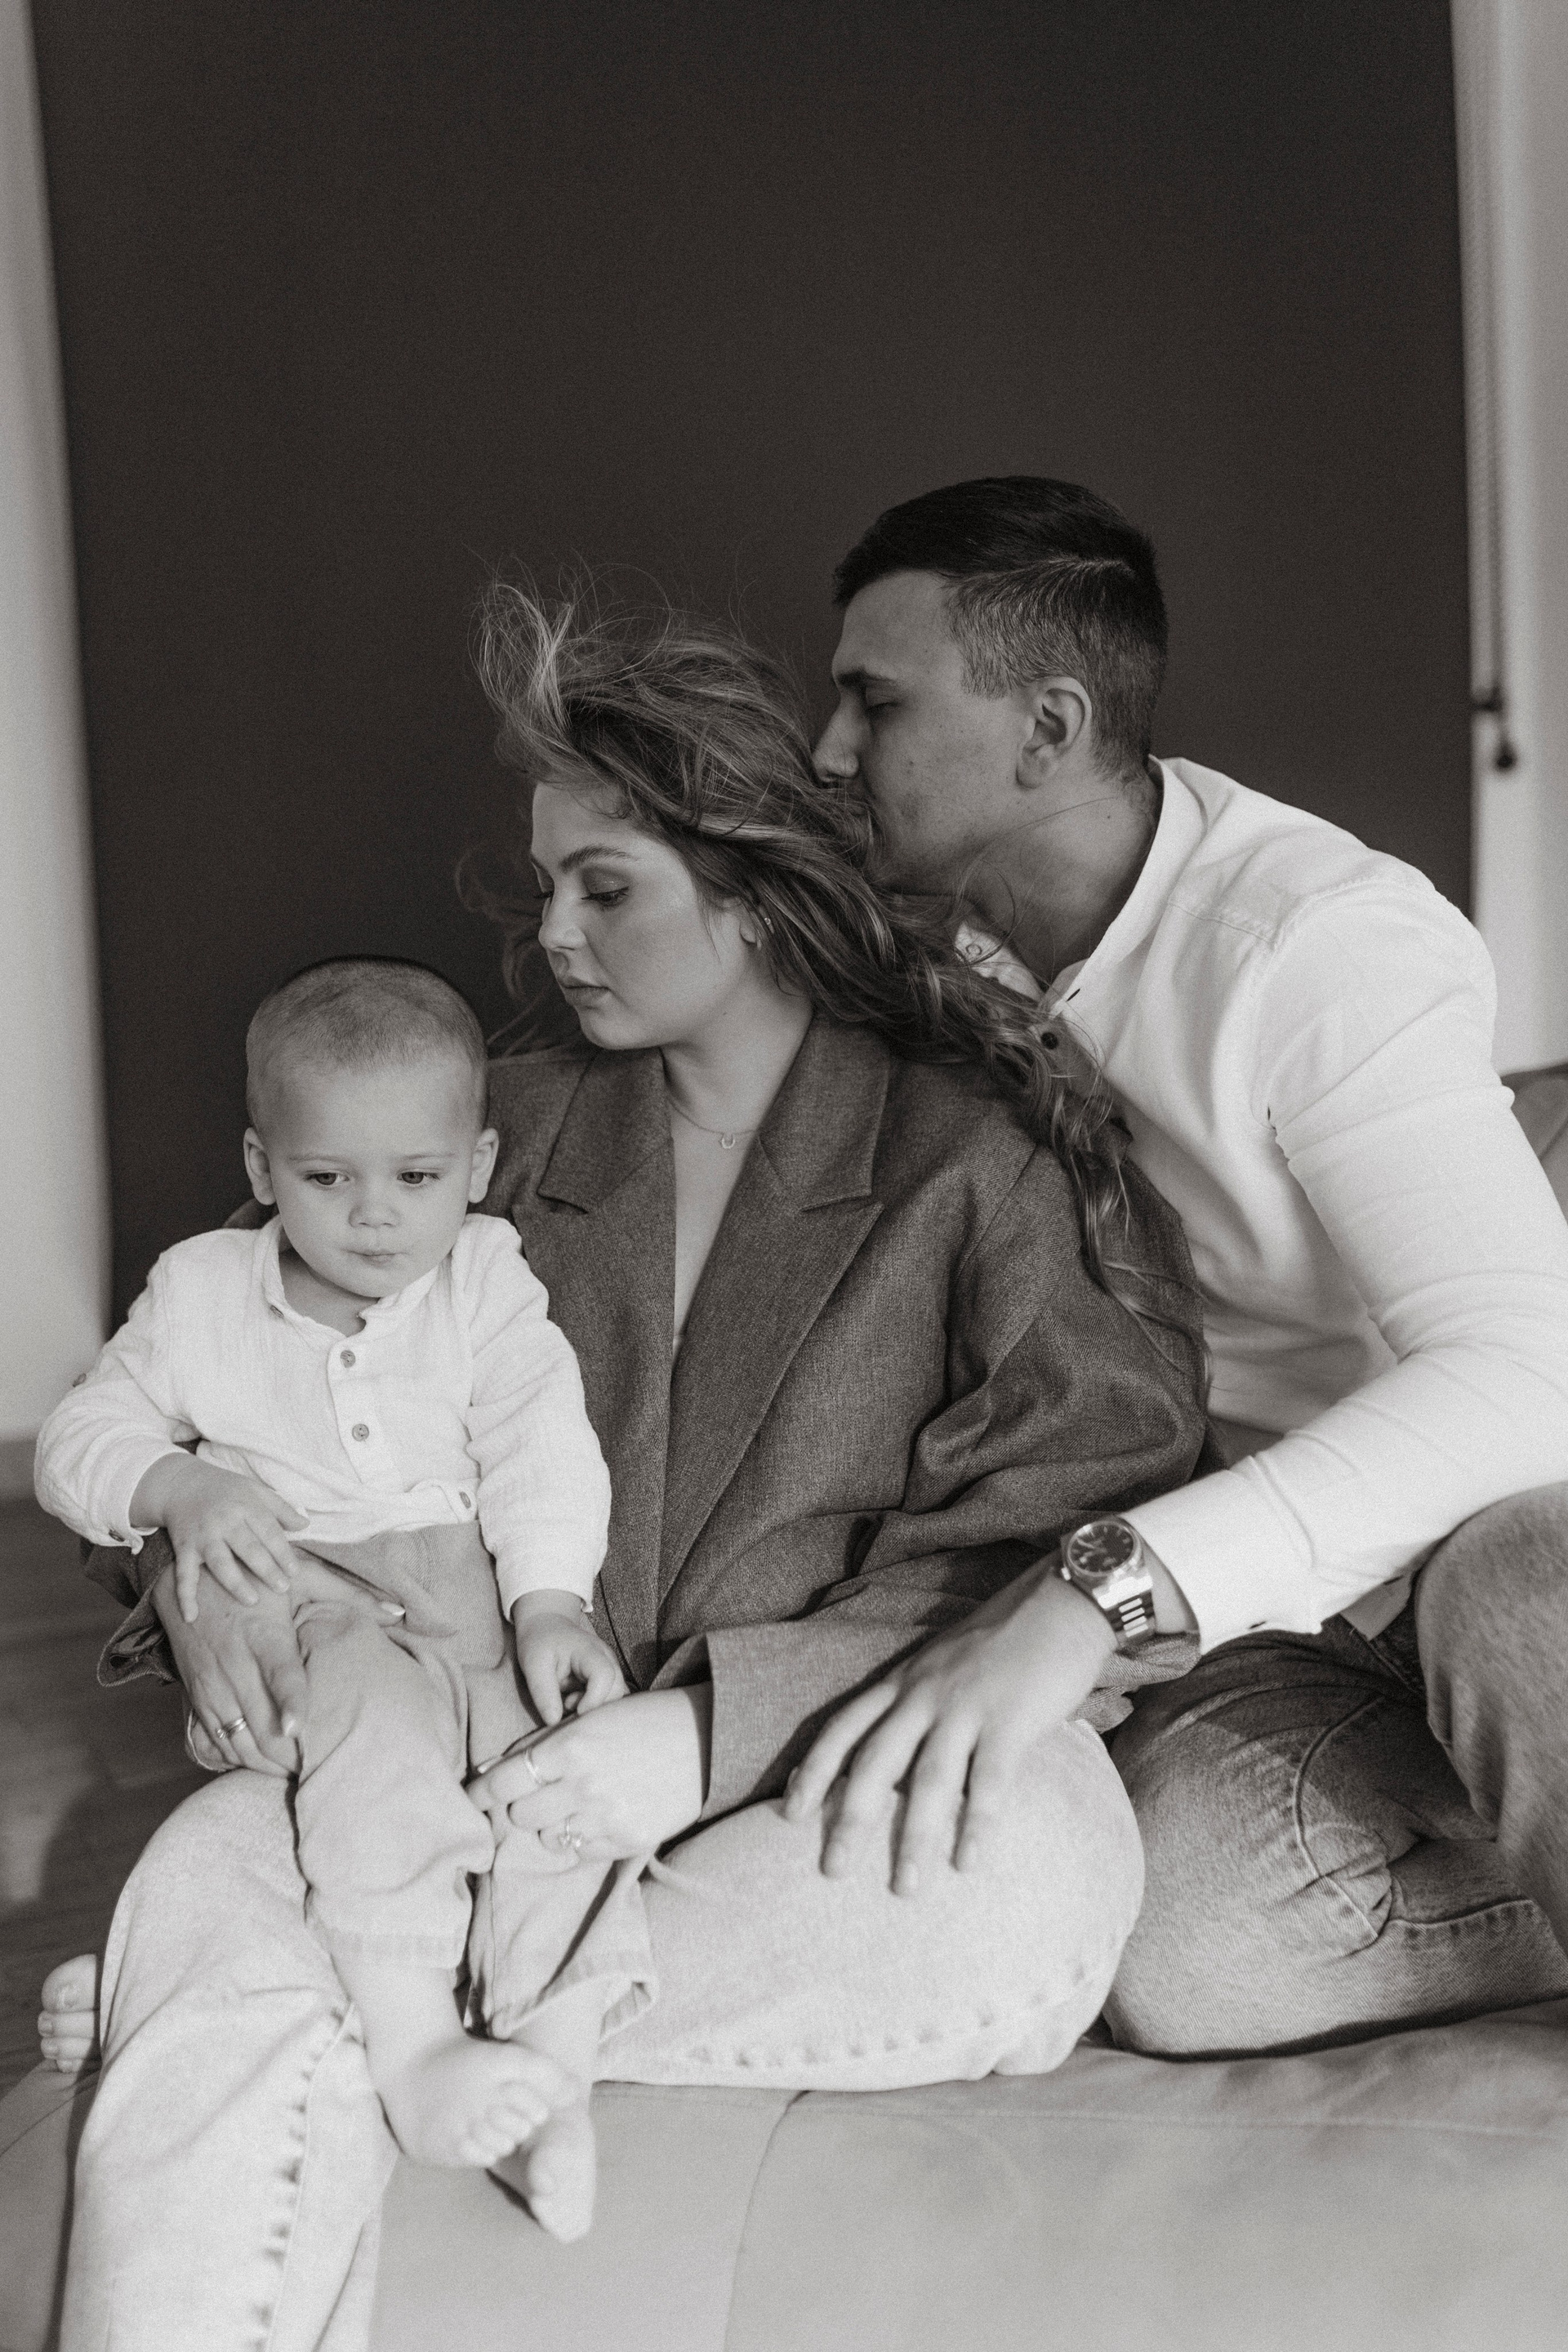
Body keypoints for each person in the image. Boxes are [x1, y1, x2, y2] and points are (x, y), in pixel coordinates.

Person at [34, 580, 1206, 2351]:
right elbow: (207, 1395)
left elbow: (1076, 1536)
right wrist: (195, 1580)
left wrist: (708, 1733)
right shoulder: (472, 1132)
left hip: (785, 1800)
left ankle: (395, 2006)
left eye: (608, 889)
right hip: (443, 1765)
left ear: (754, 884)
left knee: (1040, 1861)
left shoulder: (974, 1159)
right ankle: (384, 2004)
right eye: (547, 889)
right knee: (211, 1864)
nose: (556, 938)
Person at [786, 474, 1568, 2054]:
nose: (828, 751)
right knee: (1185, 1955)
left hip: (1503, 1532)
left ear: (1050, 726)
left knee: (1516, 1593)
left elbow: (1527, 1381)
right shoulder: (934, 971)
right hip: (1296, 1614)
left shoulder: (1317, 941)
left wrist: (1097, 1593)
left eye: (877, 701)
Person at [33, 956, 641, 2236]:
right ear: (263, 1169)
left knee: (563, 1785)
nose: (374, 1217)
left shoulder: (487, 1275)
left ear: (476, 1167)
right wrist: (178, 1489)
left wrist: (549, 1602)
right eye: (327, 1180)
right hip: (320, 1604)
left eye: (416, 1179)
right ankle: (415, 2040)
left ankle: (558, 2072)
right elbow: (75, 1442)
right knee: (377, 1756)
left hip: (477, 1604)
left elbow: (539, 1440)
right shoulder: (201, 1291)